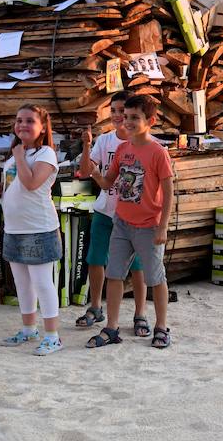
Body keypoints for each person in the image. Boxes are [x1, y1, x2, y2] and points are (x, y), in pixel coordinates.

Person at [84, 95, 174, 350]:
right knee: (114, 275)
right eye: (127, 116)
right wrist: (93, 170)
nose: (129, 121)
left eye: (136, 117)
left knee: (155, 278)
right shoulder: (123, 149)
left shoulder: (157, 152)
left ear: (151, 121)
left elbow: (168, 192)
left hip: (148, 225)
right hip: (121, 222)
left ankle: (161, 327)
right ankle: (111, 327)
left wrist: (163, 226)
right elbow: (107, 183)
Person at [0, 105, 64, 356]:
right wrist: (1, 184)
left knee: (43, 283)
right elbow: (18, 183)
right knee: (22, 283)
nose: (22, 125)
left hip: (39, 227)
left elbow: (32, 183)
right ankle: (29, 328)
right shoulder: (14, 156)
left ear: (42, 127)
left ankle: (52, 336)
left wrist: (20, 157)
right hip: (15, 228)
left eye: (29, 121)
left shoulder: (45, 154)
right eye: (19, 120)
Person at [75, 91, 150, 334]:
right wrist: (86, 145)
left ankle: (140, 313)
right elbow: (87, 172)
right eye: (114, 111)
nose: (119, 116)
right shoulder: (105, 141)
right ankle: (96, 306)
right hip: (105, 210)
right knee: (96, 259)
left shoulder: (146, 144)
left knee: (137, 265)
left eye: (123, 112)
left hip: (134, 216)